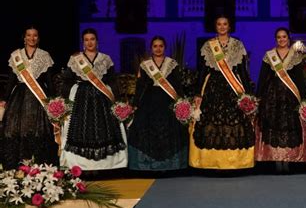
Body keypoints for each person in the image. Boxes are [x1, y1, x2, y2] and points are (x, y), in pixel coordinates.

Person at [190, 16, 254, 169]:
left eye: (225, 24)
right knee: (212, 123)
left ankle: (236, 163)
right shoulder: (208, 46)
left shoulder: (238, 45)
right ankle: (210, 163)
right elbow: (202, 72)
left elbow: (242, 72)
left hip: (234, 90)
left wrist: (249, 94)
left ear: (229, 26)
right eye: (219, 24)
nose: (222, 27)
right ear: (215, 27)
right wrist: (198, 93)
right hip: (213, 88)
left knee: (235, 123)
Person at [60, 28, 127, 170]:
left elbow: (112, 81)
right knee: (80, 130)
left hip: (102, 98)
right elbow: (67, 80)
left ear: (97, 41)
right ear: (83, 42)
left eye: (92, 39)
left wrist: (118, 100)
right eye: (86, 39)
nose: (89, 42)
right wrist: (62, 100)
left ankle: (106, 166)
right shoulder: (75, 59)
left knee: (105, 130)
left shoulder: (105, 59)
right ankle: (81, 166)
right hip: (81, 98)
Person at [0, 26, 58, 169]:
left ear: (38, 38)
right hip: (19, 96)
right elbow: (11, 80)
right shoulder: (16, 56)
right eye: (29, 35)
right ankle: (18, 167)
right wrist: (5, 99)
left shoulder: (44, 55)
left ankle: (39, 167)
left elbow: (49, 81)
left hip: (39, 97)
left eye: (35, 35)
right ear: (24, 38)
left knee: (40, 131)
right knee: (13, 129)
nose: (32, 38)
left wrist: (53, 101)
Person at [127, 36, 188, 171]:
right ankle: (147, 166)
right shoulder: (145, 65)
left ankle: (170, 165)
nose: (158, 48)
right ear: (151, 48)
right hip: (149, 102)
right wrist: (135, 103)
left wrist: (182, 101)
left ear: (164, 48)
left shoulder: (172, 63)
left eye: (161, 46)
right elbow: (140, 86)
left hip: (168, 101)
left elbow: (177, 85)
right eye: (155, 46)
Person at [255, 27, 306, 172]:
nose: (281, 39)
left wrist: (303, 98)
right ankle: (276, 160)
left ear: (288, 38)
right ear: (276, 39)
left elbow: (300, 79)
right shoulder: (269, 56)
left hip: (290, 97)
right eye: (279, 37)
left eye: (284, 37)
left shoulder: (296, 56)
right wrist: (258, 96)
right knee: (274, 126)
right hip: (272, 96)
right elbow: (262, 77)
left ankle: (288, 160)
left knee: (288, 126)